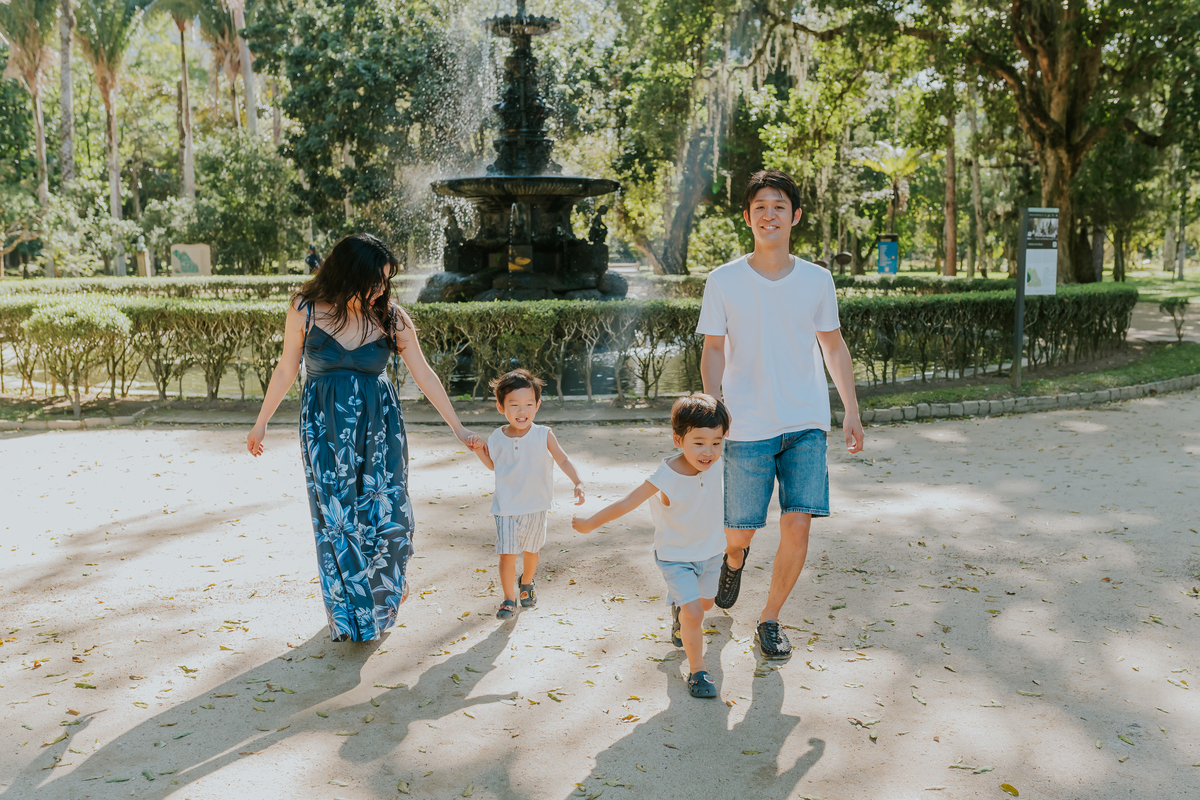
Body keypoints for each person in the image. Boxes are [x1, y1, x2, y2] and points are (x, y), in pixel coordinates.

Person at [247, 233, 485, 642]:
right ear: (349, 273)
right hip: (326, 429)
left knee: (390, 515)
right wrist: (261, 421)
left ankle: (385, 592)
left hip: (380, 426)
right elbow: (286, 368)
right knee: (339, 521)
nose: (381, 289)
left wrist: (458, 427)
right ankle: (351, 618)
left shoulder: (391, 317)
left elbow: (424, 374)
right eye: (375, 280)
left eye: (386, 281)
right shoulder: (305, 308)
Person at [697, 169, 865, 661]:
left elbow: (833, 346)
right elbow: (713, 348)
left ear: (795, 216)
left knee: (798, 525)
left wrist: (851, 409)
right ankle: (733, 560)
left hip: (806, 421)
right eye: (760, 207)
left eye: (779, 206)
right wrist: (711, 407)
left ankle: (769, 618)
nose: (769, 215)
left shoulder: (817, 279)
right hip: (746, 424)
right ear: (747, 216)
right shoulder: (723, 280)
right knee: (739, 533)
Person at [572, 395, 729, 699]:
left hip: (711, 552)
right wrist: (590, 523)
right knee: (695, 614)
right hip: (676, 557)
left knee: (706, 605)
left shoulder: (716, 462)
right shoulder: (665, 476)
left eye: (717, 442)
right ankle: (697, 671)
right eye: (699, 443)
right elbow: (627, 502)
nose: (708, 451)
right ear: (678, 440)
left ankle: (679, 612)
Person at [472, 369, 585, 619]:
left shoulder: (544, 434)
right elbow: (493, 465)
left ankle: (526, 582)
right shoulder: (497, 436)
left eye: (528, 404)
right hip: (506, 507)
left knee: (531, 553)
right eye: (514, 404)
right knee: (507, 555)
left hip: (536, 506)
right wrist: (480, 449)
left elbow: (563, 459)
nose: (521, 411)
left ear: (537, 406)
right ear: (501, 407)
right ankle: (508, 599)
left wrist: (577, 481)